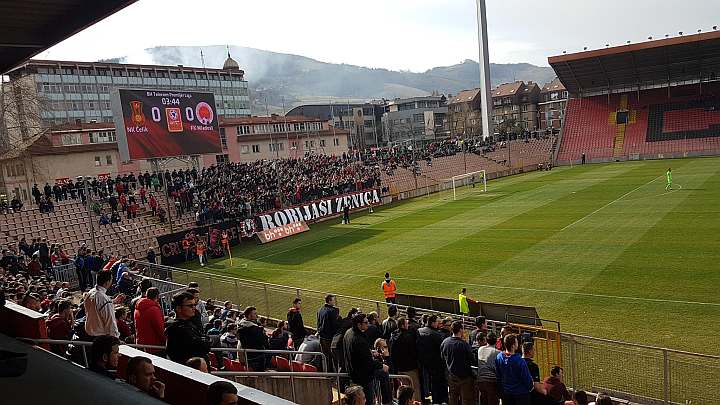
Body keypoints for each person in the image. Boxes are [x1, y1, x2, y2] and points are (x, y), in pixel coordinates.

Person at [343, 312, 390, 405]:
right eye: (365, 322)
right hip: (363, 376)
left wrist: (369, 352)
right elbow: (367, 362)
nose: (368, 324)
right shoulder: (358, 339)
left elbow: (357, 353)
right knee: (367, 400)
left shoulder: (348, 333)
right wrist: (381, 365)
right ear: (359, 325)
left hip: (353, 373)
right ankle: (387, 401)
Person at [165, 291, 210, 365]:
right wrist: (205, 340)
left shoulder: (188, 323)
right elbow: (203, 347)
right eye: (190, 306)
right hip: (191, 369)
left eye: (195, 305)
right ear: (179, 308)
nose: (194, 308)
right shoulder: (177, 328)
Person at [440, 321, 475, 405]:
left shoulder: (445, 342)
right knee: (466, 400)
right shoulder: (464, 344)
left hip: (451, 375)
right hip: (465, 377)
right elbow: (472, 360)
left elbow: (442, 357)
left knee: (453, 398)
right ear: (460, 330)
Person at [416, 314, 448, 404]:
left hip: (423, 362)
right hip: (436, 364)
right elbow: (442, 350)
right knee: (437, 385)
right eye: (438, 322)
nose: (439, 324)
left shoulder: (419, 331)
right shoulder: (436, 335)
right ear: (433, 323)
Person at [388, 317, 421, 403]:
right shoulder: (408, 337)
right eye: (406, 324)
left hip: (399, 368)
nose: (408, 325)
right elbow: (414, 351)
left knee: (404, 389)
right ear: (403, 325)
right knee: (414, 388)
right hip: (410, 367)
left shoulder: (393, 336)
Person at [496, 334, 533, 405]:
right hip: (520, 394)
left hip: (506, 392)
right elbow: (526, 377)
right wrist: (530, 387)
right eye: (516, 342)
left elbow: (498, 375)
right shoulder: (519, 361)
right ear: (513, 346)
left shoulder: (499, 357)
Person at [84, 270, 120, 338]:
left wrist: (113, 301)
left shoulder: (90, 293)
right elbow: (110, 323)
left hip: (89, 333)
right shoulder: (104, 300)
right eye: (111, 279)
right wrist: (115, 339)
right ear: (106, 283)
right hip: (100, 336)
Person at [237, 306, 270, 371]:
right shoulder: (254, 329)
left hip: (246, 354)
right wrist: (261, 331)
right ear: (249, 315)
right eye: (254, 314)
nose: (256, 315)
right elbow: (264, 342)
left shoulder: (240, 325)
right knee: (259, 374)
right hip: (256, 356)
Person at [134, 287, 166, 352]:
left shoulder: (138, 308)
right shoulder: (154, 309)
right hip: (154, 347)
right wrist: (166, 341)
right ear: (157, 296)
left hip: (142, 344)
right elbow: (160, 329)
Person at [317, 294, 340, 371]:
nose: (334, 302)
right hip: (329, 338)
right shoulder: (332, 311)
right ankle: (334, 374)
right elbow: (334, 325)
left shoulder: (320, 309)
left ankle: (327, 372)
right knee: (333, 357)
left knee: (325, 356)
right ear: (329, 301)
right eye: (333, 300)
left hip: (322, 337)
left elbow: (318, 323)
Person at [477, 332, 501, 405]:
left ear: (486, 340)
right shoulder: (497, 353)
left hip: (480, 380)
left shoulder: (480, 349)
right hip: (491, 381)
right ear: (496, 341)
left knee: (483, 401)